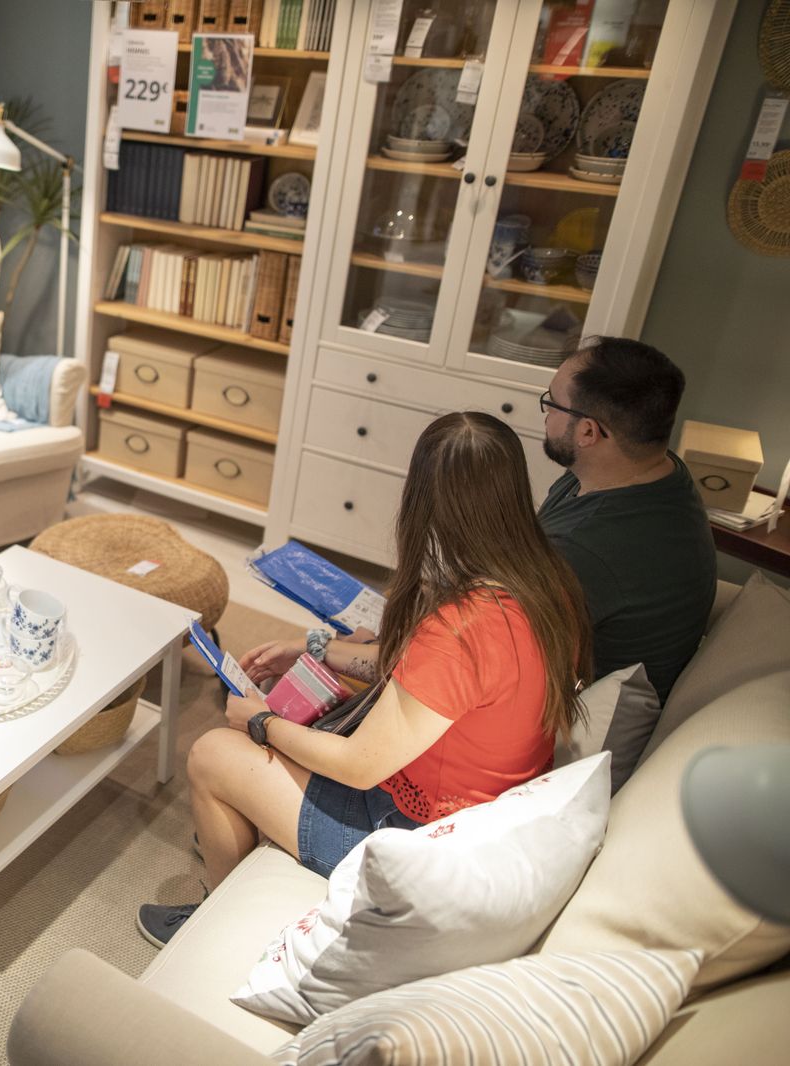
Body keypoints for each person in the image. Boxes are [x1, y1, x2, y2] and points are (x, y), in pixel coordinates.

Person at [136, 412, 593, 948]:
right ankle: (239, 829)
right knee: (278, 727)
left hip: (411, 841)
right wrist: (318, 651)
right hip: (475, 814)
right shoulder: (543, 582)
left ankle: (208, 922)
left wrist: (259, 721)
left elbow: (359, 766)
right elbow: (427, 684)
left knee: (213, 750)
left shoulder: (463, 628)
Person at [536, 336, 715, 703]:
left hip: (569, 717)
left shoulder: (585, 547)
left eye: (551, 404)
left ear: (588, 432)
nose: (547, 415)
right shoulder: (660, 472)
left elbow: (501, 657)